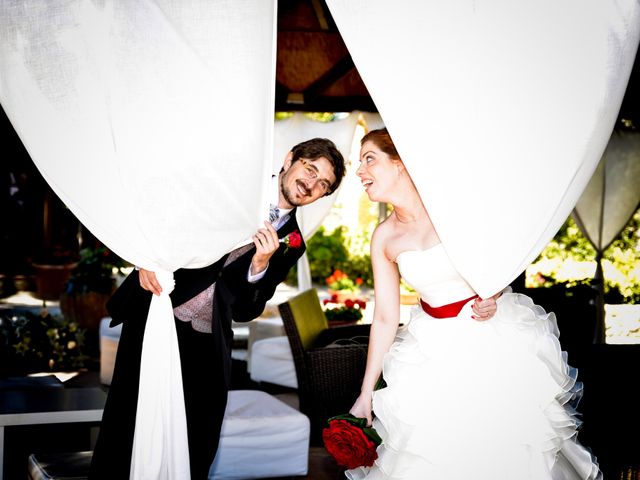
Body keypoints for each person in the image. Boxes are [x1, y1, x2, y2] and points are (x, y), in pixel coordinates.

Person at [347, 129, 601, 479]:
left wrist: (493, 293)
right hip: (427, 353)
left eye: (369, 158)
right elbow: (386, 318)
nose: (359, 170)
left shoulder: (453, 210)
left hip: (489, 341)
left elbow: (501, 262)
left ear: (400, 163)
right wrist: (365, 395)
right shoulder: (384, 236)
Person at [89, 138, 346, 480]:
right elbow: (163, 213)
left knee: (199, 432)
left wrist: (259, 265)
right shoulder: (231, 184)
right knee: (130, 414)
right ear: (289, 159)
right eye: (310, 169)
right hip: (158, 309)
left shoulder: (293, 243)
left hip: (208, 341)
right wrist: (145, 260)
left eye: (322, 184)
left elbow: (246, 312)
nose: (310, 184)